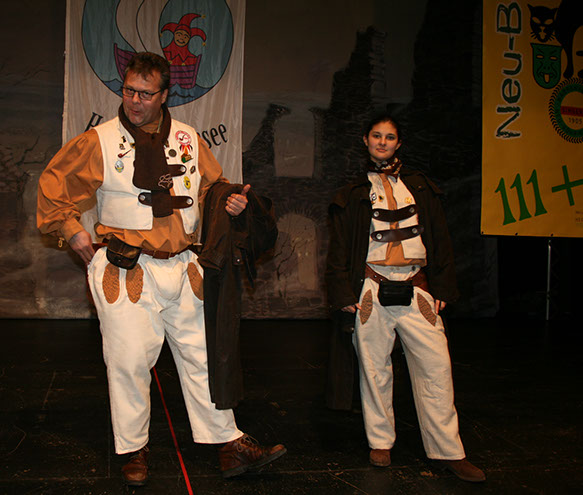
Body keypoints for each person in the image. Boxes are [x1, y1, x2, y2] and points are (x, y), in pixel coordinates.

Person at [37, 52, 285, 487]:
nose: (135, 101)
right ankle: (134, 448)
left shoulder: (188, 138)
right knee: (129, 361)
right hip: (125, 268)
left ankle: (227, 442)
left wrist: (230, 201)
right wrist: (74, 234)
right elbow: (54, 187)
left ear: (165, 94)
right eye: (129, 91)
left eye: (146, 94)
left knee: (203, 356)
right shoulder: (100, 141)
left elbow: (212, 187)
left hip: (184, 266)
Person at [325, 115, 485, 482]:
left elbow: (440, 238)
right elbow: (339, 248)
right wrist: (343, 292)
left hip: (417, 288)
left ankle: (448, 450)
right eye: (376, 135)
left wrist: (443, 288)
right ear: (366, 140)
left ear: (399, 143)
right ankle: (380, 442)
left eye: (390, 137)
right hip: (371, 289)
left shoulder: (421, 188)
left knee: (436, 368)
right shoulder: (353, 193)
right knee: (374, 370)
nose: (382, 142)